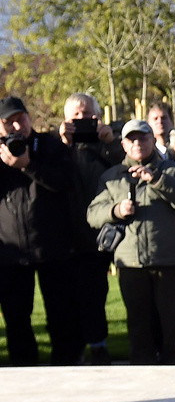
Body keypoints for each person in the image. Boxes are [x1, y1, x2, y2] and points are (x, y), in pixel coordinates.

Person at [87, 118, 175, 364]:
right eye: (132, 139)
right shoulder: (112, 177)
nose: (138, 143)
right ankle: (142, 382)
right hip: (130, 263)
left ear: (152, 140)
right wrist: (116, 210)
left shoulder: (173, 170)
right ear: (124, 145)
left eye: (143, 138)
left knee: (174, 327)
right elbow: (92, 214)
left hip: (168, 261)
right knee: (138, 328)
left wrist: (156, 179)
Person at [0, 95, 84, 364]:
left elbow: (65, 182)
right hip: (11, 256)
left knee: (62, 319)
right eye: (8, 123)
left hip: (54, 249)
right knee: (16, 321)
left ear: (29, 118)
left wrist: (28, 165)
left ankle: (67, 371)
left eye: (20, 120)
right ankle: (24, 376)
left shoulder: (49, 145)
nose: (16, 127)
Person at [59, 92, 125, 363]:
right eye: (77, 115)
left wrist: (109, 142)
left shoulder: (109, 142)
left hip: (101, 233)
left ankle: (99, 346)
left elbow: (127, 166)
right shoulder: (57, 145)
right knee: (68, 300)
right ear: (66, 119)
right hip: (66, 235)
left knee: (97, 295)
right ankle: (74, 350)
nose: (83, 120)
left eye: (88, 114)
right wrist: (63, 143)